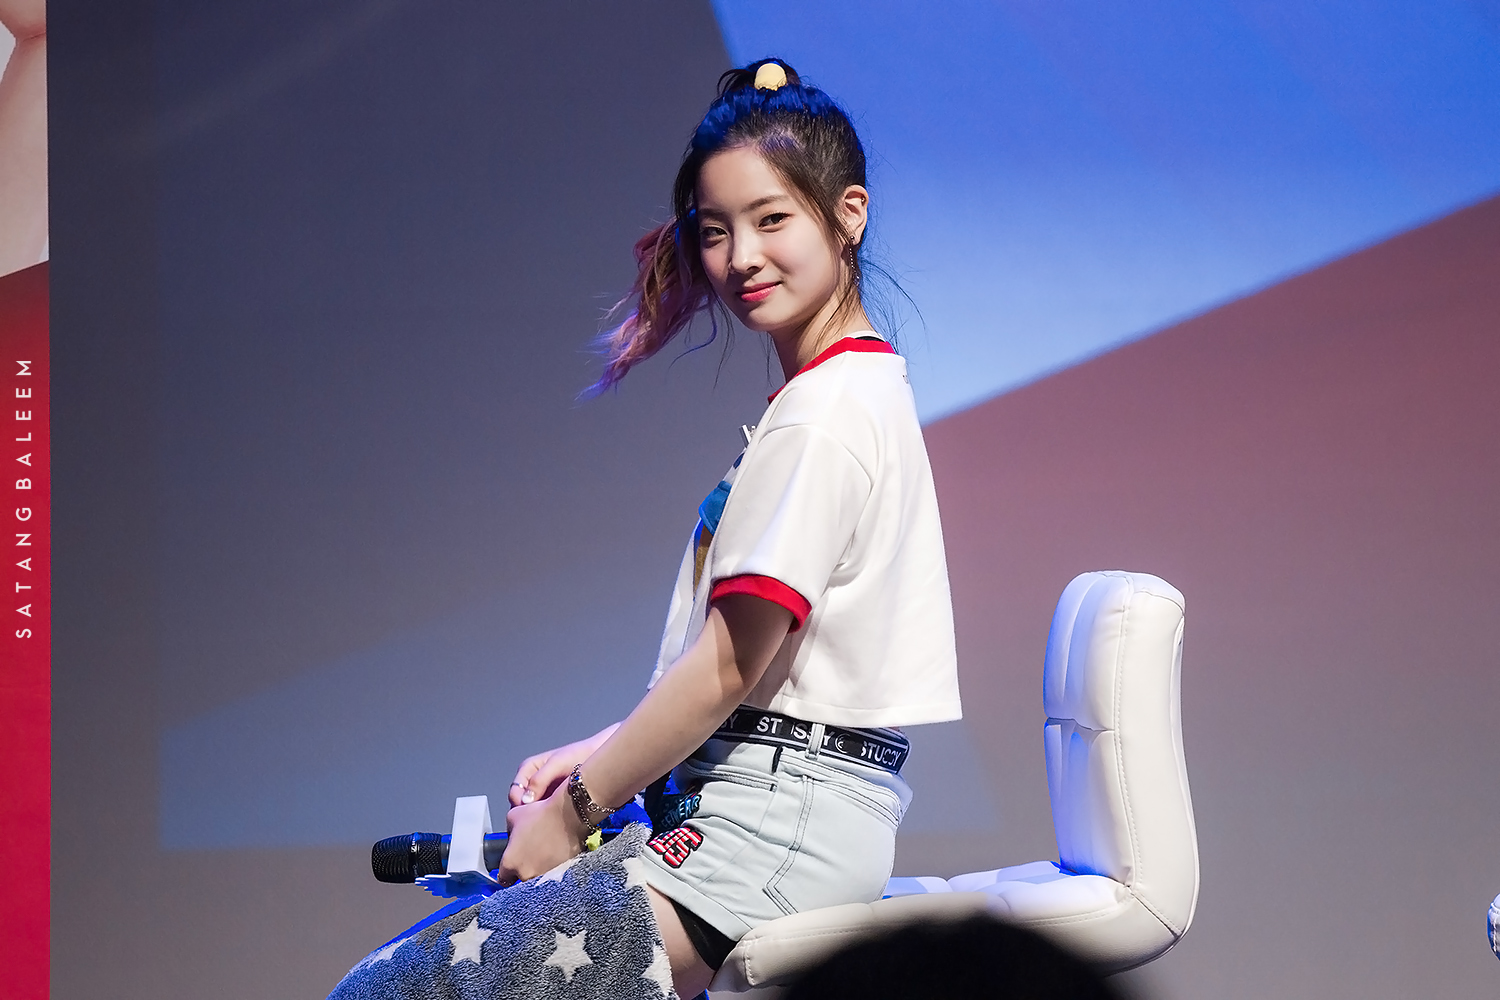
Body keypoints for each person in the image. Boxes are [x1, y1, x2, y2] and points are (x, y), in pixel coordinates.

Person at [329, 57, 960, 1000]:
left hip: (767, 831)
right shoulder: (848, 394)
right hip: (767, 808)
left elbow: (729, 668)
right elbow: (755, 671)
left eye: (772, 219)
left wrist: (577, 808)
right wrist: (607, 746)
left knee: (388, 992)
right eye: (716, 231)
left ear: (849, 215)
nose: (741, 256)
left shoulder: (826, 413)